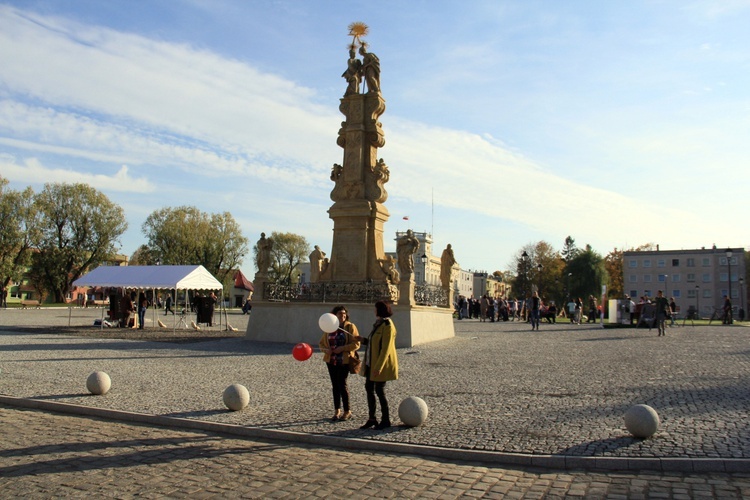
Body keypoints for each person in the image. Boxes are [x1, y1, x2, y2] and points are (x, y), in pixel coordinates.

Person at [355, 300, 398, 430]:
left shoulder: (388, 325)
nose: (374, 311)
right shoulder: (378, 324)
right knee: (369, 389)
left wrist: (378, 367)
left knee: (380, 391)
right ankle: (372, 418)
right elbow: (374, 343)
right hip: (370, 363)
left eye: (375, 309)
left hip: (380, 365)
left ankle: (386, 420)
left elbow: (386, 348)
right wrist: (363, 340)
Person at [319, 305, 360, 421]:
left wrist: (342, 348)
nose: (342, 316)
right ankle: (337, 410)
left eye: (344, 314)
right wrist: (327, 350)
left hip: (344, 360)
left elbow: (356, 344)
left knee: (342, 384)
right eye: (340, 314)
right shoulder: (329, 327)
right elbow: (321, 344)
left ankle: (347, 410)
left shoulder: (350, 327)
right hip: (331, 360)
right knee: (335, 385)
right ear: (334, 315)